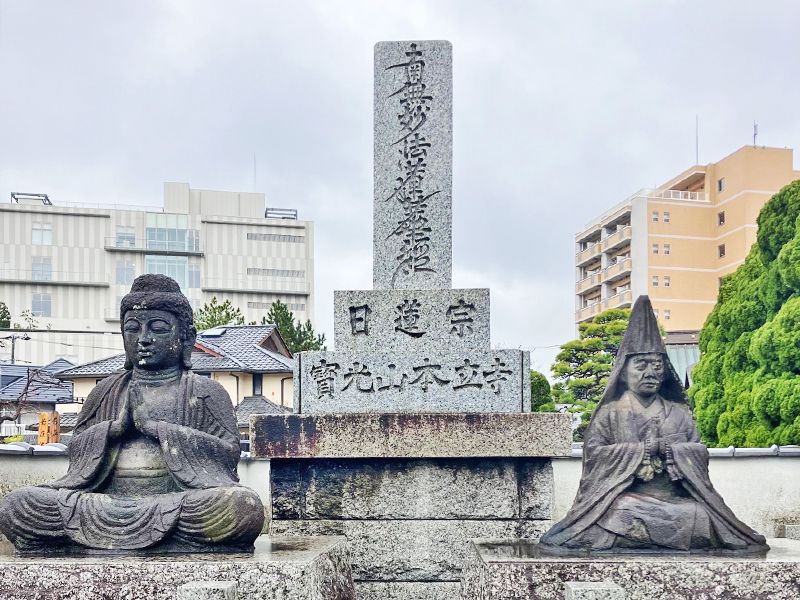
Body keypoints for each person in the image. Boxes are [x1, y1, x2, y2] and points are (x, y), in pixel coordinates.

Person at [0, 275, 264, 554]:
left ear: (186, 338)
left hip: (179, 502)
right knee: (18, 505)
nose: (144, 339)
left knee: (242, 508)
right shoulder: (105, 391)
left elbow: (229, 452)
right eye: (132, 329)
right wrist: (113, 430)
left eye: (158, 328)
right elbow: (76, 448)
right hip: (101, 503)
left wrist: (158, 430)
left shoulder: (206, 391)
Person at [540, 295, 768, 554]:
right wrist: (642, 451)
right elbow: (595, 456)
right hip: (624, 500)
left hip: (674, 501)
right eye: (641, 366)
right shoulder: (610, 414)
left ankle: (650, 537)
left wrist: (672, 451)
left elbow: (699, 451)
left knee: (702, 514)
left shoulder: (680, 413)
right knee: (620, 511)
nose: (651, 373)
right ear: (624, 373)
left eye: (657, 366)